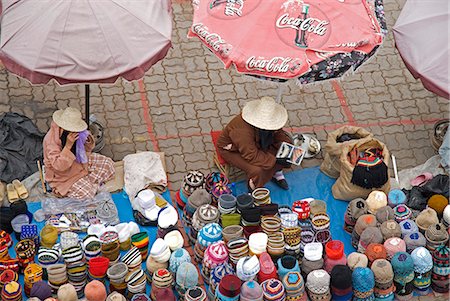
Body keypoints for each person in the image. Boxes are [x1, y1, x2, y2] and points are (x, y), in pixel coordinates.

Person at [217, 97, 292, 191]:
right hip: (232, 149)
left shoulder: (268, 125)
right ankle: (254, 189)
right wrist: (275, 160)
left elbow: (278, 133)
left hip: (252, 143)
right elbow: (251, 155)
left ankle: (276, 172)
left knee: (283, 148)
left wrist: (287, 145)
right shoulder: (242, 131)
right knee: (257, 170)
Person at [43, 107, 115, 199]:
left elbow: (86, 150)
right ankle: (88, 183)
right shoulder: (50, 140)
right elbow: (59, 166)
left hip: (78, 163)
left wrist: (87, 139)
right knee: (86, 195)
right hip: (61, 175)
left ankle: (88, 181)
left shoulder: (76, 132)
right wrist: (68, 146)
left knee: (108, 164)